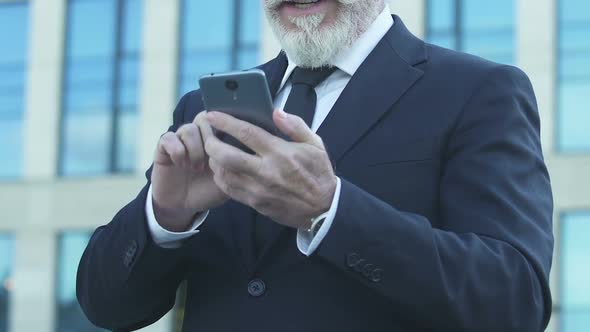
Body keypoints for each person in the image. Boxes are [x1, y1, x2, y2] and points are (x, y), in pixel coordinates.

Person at [77, 0, 554, 331]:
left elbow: (514, 302)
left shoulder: (478, 92)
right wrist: (164, 217)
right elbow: (106, 306)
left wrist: (331, 210)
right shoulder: (203, 110)